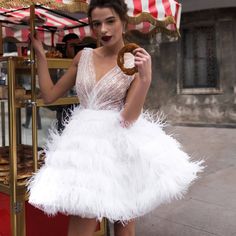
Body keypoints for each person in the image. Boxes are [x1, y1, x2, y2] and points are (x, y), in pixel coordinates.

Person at [27, 0, 204, 236]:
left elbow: (129, 118)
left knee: (124, 227)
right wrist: (40, 55)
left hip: (121, 147)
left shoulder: (134, 61)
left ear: (124, 22)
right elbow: (49, 96)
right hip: (84, 148)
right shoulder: (83, 56)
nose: (103, 30)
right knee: (80, 227)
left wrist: (145, 80)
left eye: (110, 21)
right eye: (96, 24)